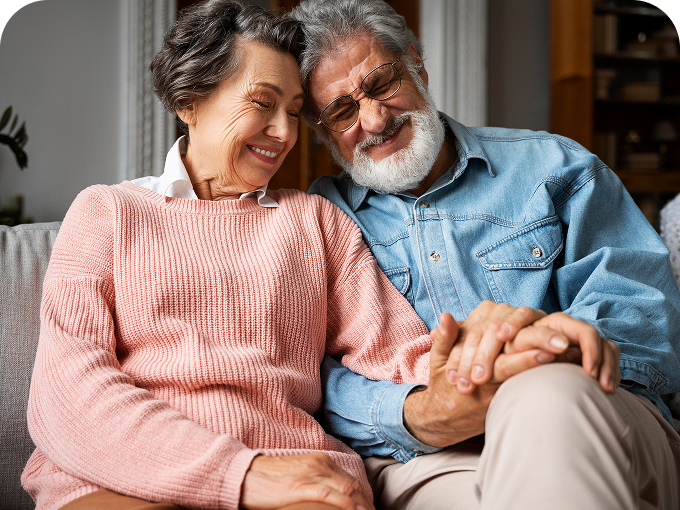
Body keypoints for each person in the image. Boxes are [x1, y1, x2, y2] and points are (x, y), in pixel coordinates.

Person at [21, 3, 444, 509]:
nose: (285, 134)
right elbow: (67, 394)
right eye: (262, 103)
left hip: (291, 471)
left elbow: (399, 354)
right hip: (118, 475)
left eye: (292, 112)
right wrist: (242, 474)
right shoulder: (107, 212)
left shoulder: (316, 222)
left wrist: (482, 365)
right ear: (189, 100)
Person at [288, 1, 680, 508]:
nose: (374, 118)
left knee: (542, 398)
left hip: (595, 411)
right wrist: (421, 412)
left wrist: (548, 348)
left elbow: (646, 317)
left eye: (382, 83)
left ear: (416, 64)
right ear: (322, 132)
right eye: (341, 112)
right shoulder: (317, 220)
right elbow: (304, 377)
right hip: (425, 457)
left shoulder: (556, 166)